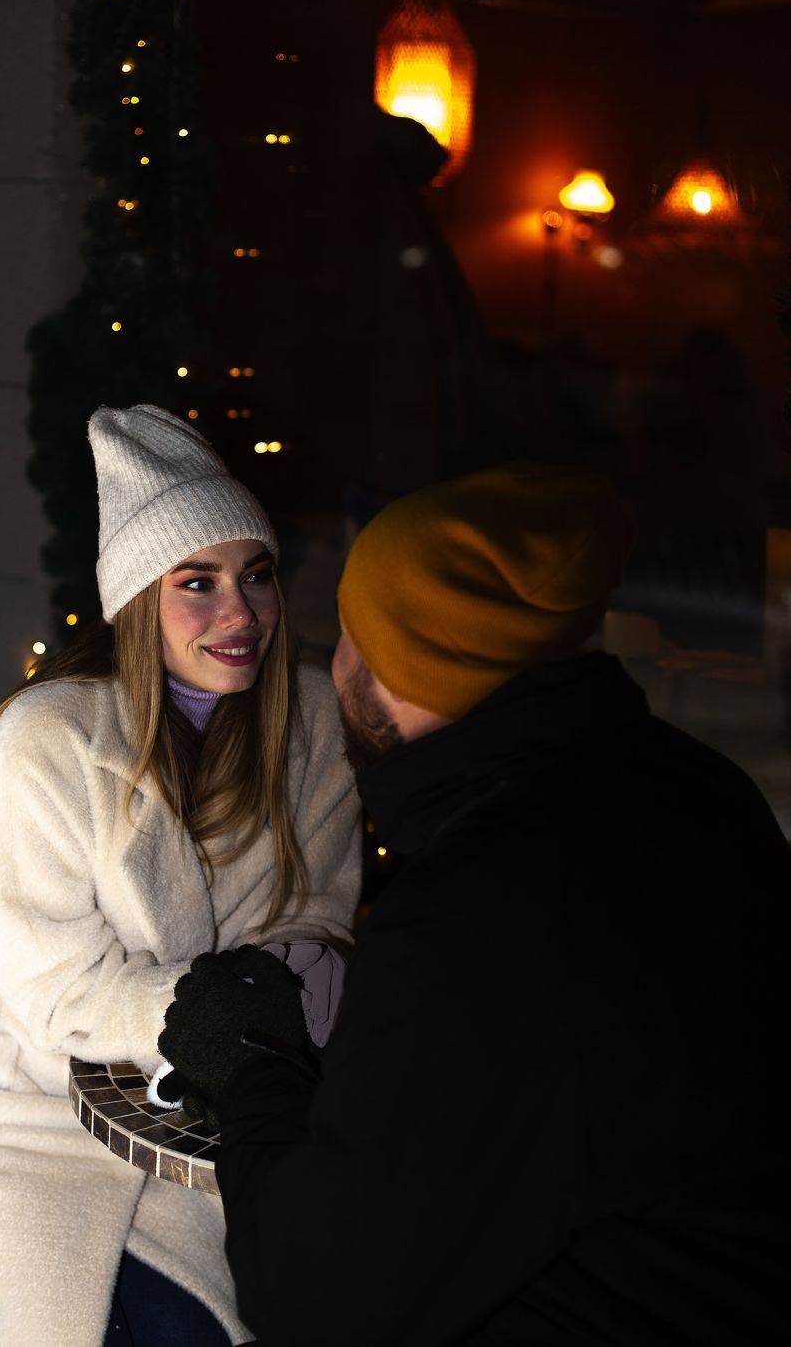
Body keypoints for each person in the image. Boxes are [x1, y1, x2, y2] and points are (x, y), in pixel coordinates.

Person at [160, 463, 791, 1346]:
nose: (332, 665)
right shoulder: (698, 787)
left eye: (350, 636)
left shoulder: (476, 918)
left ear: (400, 666)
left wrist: (250, 1068)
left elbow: (318, 1299)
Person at [0, 404, 361, 1347]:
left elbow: (315, 913)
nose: (241, 614)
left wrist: (280, 995)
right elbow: (61, 992)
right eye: (198, 582)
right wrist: (215, 1003)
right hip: (24, 1085)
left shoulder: (307, 720)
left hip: (227, 1103)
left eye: (257, 575)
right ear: (139, 599)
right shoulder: (49, 740)